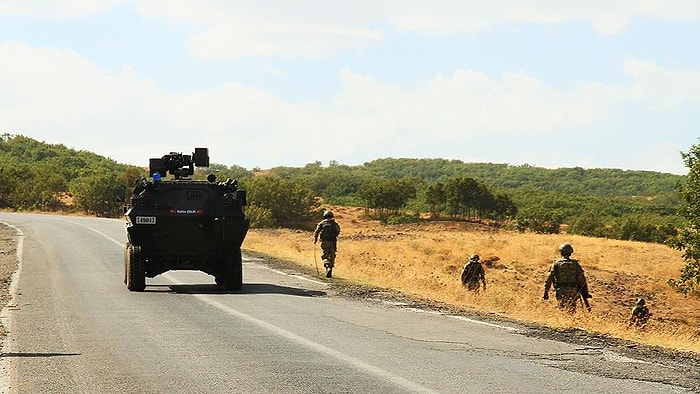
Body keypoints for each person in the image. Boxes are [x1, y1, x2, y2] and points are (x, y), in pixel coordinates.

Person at [543, 243, 591, 313]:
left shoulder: (556, 263)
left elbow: (549, 279)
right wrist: (586, 293)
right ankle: (571, 322)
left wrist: (546, 292)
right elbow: (582, 279)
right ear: (570, 253)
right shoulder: (575, 264)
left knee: (563, 309)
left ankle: (565, 322)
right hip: (573, 291)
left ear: (561, 252)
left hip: (561, 290)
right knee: (572, 310)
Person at [313, 210, 340, 278]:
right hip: (333, 242)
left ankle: (327, 266)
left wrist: (315, 240)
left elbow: (316, 232)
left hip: (324, 242)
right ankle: (330, 268)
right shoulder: (335, 224)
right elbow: (337, 232)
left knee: (325, 255)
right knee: (332, 256)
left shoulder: (322, 223)